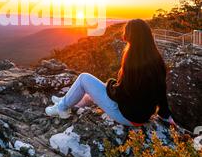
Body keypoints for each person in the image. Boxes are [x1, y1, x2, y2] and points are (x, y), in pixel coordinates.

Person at [45, 18, 175, 127]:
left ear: (130, 36)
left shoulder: (133, 59)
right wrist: (165, 115)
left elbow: (121, 94)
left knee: (84, 78)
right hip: (142, 116)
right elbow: (161, 91)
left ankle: (61, 109)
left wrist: (110, 84)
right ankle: (64, 101)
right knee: (91, 92)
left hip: (126, 115)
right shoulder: (157, 60)